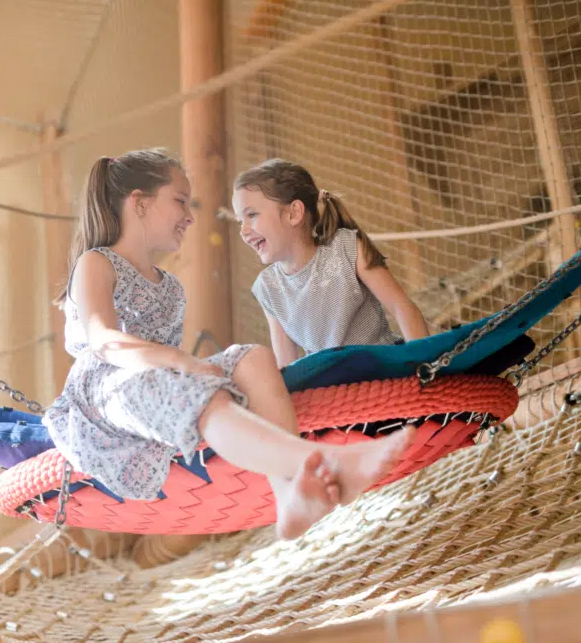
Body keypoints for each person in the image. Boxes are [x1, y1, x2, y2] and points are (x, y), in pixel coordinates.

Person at [45, 148, 413, 540]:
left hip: (154, 385)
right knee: (195, 391)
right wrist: (182, 363)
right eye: (180, 201)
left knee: (252, 358)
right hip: (103, 394)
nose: (189, 215)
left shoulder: (170, 287)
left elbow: (172, 374)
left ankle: (288, 494)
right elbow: (103, 342)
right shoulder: (96, 263)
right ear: (139, 202)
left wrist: (186, 367)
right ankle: (328, 462)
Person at [232, 158, 429, 369]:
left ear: (294, 213)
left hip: (382, 368)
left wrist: (425, 369)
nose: (243, 231)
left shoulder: (346, 248)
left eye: (251, 215)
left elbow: (402, 308)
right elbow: (287, 365)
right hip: (332, 384)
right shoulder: (268, 287)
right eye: (239, 220)